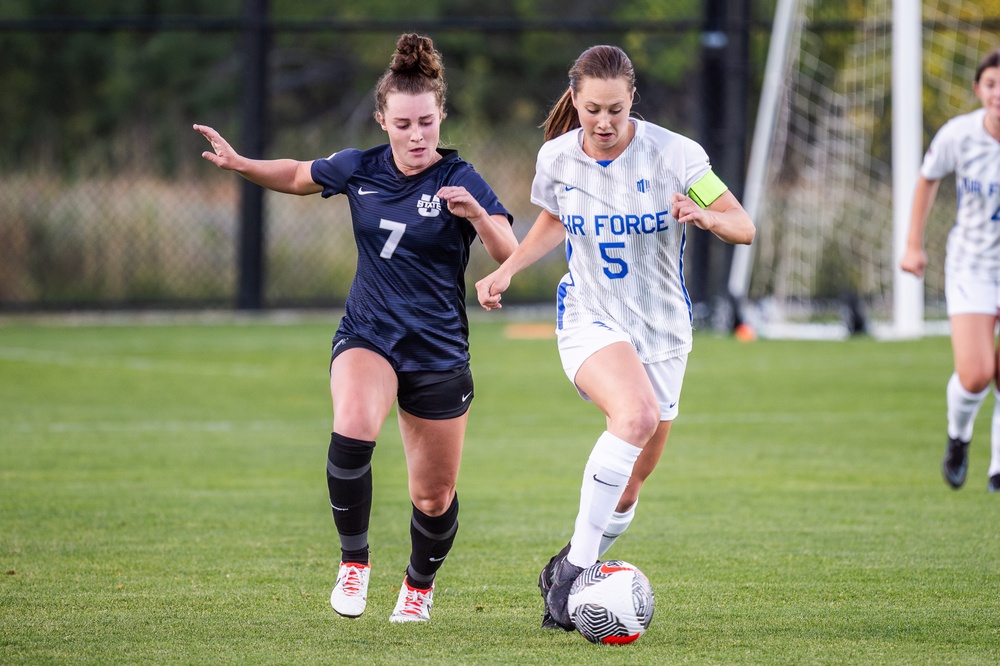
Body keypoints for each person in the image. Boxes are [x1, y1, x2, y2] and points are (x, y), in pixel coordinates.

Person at [195, 33, 517, 623]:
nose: (416, 135)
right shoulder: (359, 168)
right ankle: (354, 563)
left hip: (438, 349)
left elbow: (508, 250)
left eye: (426, 122)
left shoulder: (461, 177)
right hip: (368, 332)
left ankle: (418, 586)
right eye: (403, 123)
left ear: (441, 116)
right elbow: (296, 174)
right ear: (382, 120)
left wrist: (477, 217)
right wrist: (240, 164)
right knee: (352, 426)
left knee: (433, 495)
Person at [475, 44, 754, 631]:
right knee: (633, 416)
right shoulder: (556, 158)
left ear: (633, 103)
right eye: (592, 109)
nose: (603, 123)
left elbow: (742, 225)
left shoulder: (677, 156)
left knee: (629, 490)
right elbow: (554, 218)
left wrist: (706, 217)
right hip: (589, 318)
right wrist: (508, 269)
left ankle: (569, 563)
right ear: (574, 99)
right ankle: (575, 574)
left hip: (664, 332)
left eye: (616, 111)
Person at [901, 47, 1000, 494]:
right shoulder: (959, 136)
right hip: (973, 265)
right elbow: (927, 178)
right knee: (977, 371)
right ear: (979, 89)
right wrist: (912, 244)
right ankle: (958, 438)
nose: (998, 94)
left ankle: (998, 466)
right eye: (991, 84)